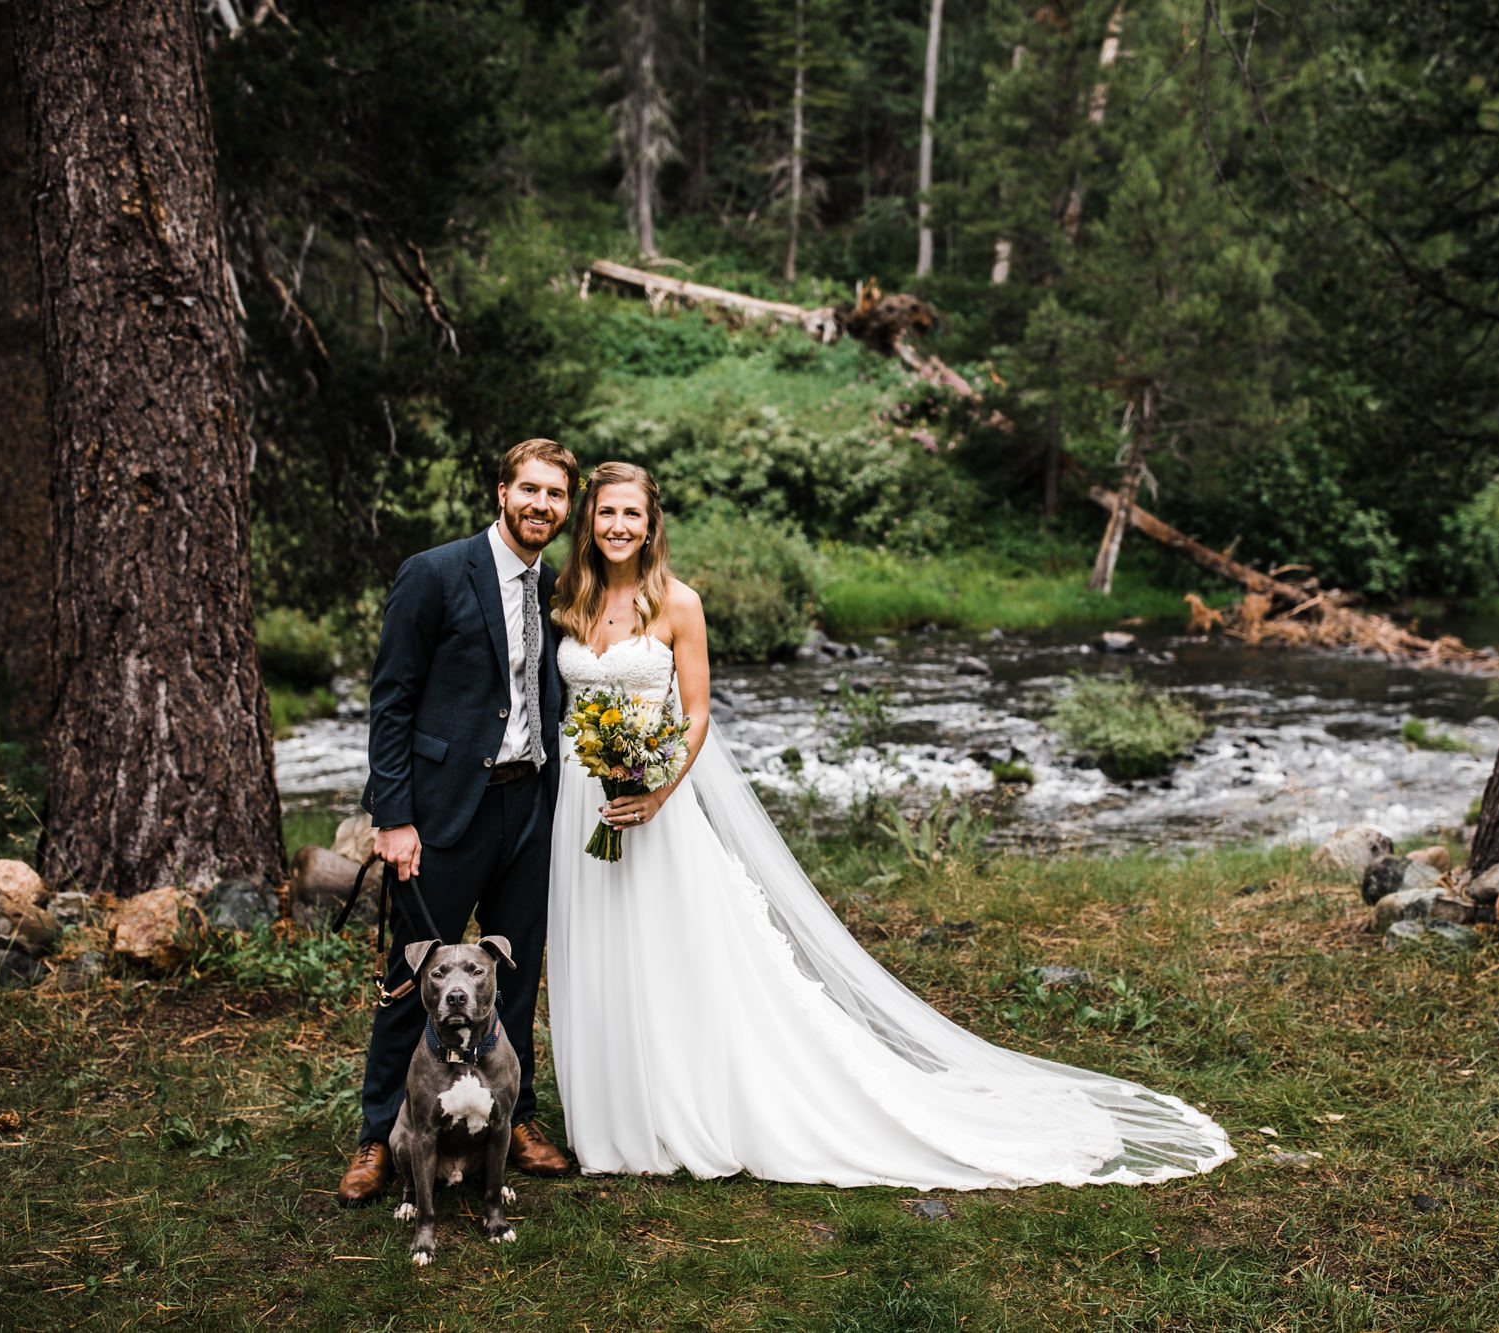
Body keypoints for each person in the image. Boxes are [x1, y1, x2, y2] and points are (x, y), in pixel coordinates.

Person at [546, 463, 1234, 1188]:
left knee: (673, 954)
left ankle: (679, 1107)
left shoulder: (679, 603)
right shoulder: (567, 598)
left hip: (658, 804)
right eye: (606, 513)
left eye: (633, 514)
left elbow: (696, 713)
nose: (618, 526)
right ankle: (613, 1119)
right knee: (599, 946)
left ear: (653, 526)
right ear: (588, 520)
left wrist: (655, 790)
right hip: (578, 800)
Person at [339, 438, 580, 1205]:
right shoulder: (436, 573)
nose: (542, 505)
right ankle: (380, 1135)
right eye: (530, 489)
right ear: (502, 492)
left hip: (528, 808)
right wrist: (394, 815)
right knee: (416, 977)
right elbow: (392, 700)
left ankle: (514, 1114)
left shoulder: (556, 587)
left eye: (556, 495)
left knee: (508, 976)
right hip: (442, 813)